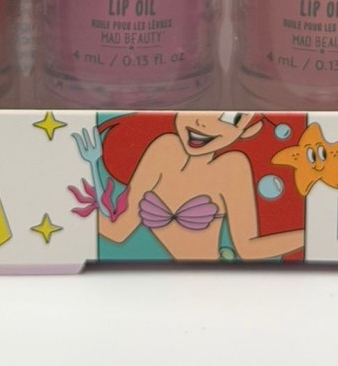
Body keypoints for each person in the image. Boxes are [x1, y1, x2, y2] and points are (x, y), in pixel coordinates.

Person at [71, 112, 306, 262]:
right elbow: (118, 231)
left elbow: (248, 248)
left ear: (248, 130)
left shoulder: (232, 166)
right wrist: (65, 211)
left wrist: (314, 234)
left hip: (219, 281)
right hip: (149, 286)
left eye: (229, 118)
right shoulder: (165, 148)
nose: (202, 122)